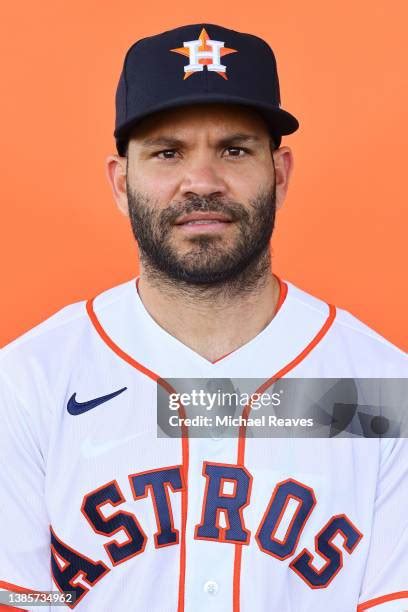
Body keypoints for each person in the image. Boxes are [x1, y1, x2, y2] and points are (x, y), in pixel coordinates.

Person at [0, 23, 406, 612]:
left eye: (235, 150)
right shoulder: (27, 383)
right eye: (168, 152)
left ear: (280, 173)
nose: (202, 183)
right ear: (121, 183)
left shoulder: (382, 391)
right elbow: (21, 599)